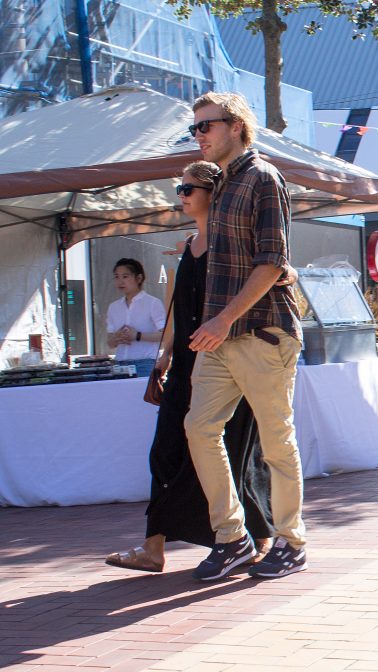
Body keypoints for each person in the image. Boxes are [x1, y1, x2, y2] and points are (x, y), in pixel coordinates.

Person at [105, 162, 274, 573]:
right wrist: (164, 353)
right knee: (165, 451)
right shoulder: (189, 244)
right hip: (184, 363)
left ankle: (261, 538)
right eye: (179, 189)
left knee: (239, 449)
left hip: (228, 360)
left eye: (188, 189)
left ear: (213, 193)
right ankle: (153, 547)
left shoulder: (230, 242)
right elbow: (179, 310)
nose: (181, 195)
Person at [184, 92, 308, 581]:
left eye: (205, 126)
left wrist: (222, 319)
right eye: (194, 129)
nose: (198, 136)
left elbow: (273, 262)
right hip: (221, 336)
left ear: (235, 125)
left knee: (276, 442)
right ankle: (232, 537)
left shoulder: (263, 177)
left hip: (261, 332)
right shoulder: (220, 185)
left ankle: (292, 541)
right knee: (199, 428)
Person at [105, 258, 166, 377]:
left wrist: (137, 336)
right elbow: (110, 342)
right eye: (117, 277)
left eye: (125, 276)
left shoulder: (152, 303)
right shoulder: (113, 307)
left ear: (139, 278)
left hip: (145, 364)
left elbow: (165, 335)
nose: (120, 281)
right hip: (119, 364)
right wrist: (116, 338)